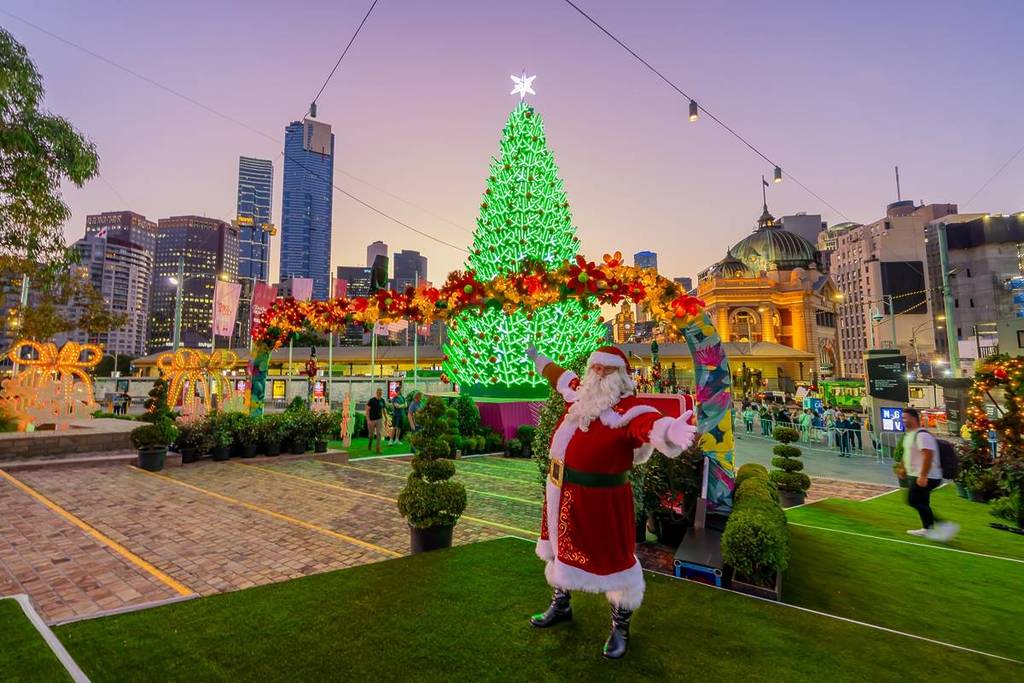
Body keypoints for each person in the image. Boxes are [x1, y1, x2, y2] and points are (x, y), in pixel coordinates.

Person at [526, 345, 696, 659]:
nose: (600, 373)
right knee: (559, 549)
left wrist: (671, 429)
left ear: (622, 375)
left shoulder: (629, 409)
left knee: (616, 561)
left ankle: (620, 627)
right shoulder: (579, 395)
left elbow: (649, 425)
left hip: (603, 502)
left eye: (608, 369)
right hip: (562, 493)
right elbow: (558, 376)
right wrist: (537, 357)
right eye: (597, 367)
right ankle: (561, 603)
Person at [898, 407, 959, 541]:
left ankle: (944, 525)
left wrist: (923, 475)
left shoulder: (922, 435)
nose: (903, 420)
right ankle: (927, 528)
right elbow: (908, 452)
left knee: (912, 500)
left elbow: (928, 455)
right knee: (922, 501)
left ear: (913, 418)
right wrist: (902, 467)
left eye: (905, 418)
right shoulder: (910, 435)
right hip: (919, 474)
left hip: (927, 475)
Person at [365, 388, 386, 454]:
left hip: (379, 419)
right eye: (379, 392)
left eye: (381, 392)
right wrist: (368, 420)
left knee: (379, 434)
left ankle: (378, 448)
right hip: (371, 420)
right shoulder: (371, 400)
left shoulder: (382, 401)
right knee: (371, 435)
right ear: (376, 393)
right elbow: (367, 410)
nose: (380, 393)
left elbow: (383, 410)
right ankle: (370, 443)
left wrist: (386, 418)